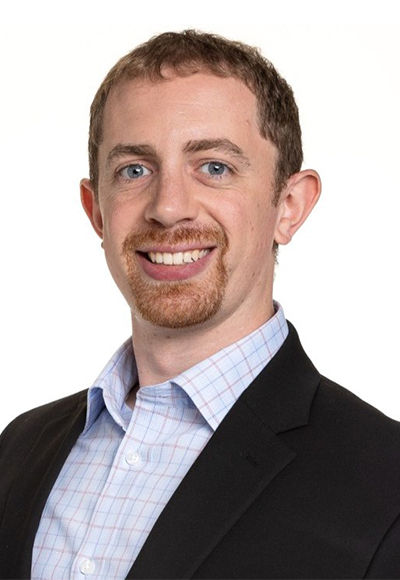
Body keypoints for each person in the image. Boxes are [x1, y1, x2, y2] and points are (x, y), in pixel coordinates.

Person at [1, 29, 400, 580]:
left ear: (289, 205)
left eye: (214, 167)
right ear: (97, 211)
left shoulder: (385, 486)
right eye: (134, 170)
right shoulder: (18, 451)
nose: (168, 208)